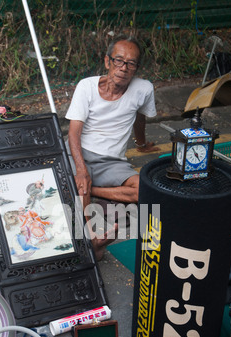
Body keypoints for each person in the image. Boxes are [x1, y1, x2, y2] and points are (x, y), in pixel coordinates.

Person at [65, 34, 157, 259]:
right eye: (119, 60)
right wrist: (81, 169)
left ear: (136, 68)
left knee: (145, 190)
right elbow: (73, 133)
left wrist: (142, 143)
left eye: (131, 63)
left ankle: (87, 190)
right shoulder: (86, 86)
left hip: (113, 162)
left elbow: (141, 117)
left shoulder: (144, 89)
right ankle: (93, 238)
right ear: (108, 62)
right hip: (81, 153)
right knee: (81, 178)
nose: (124, 67)